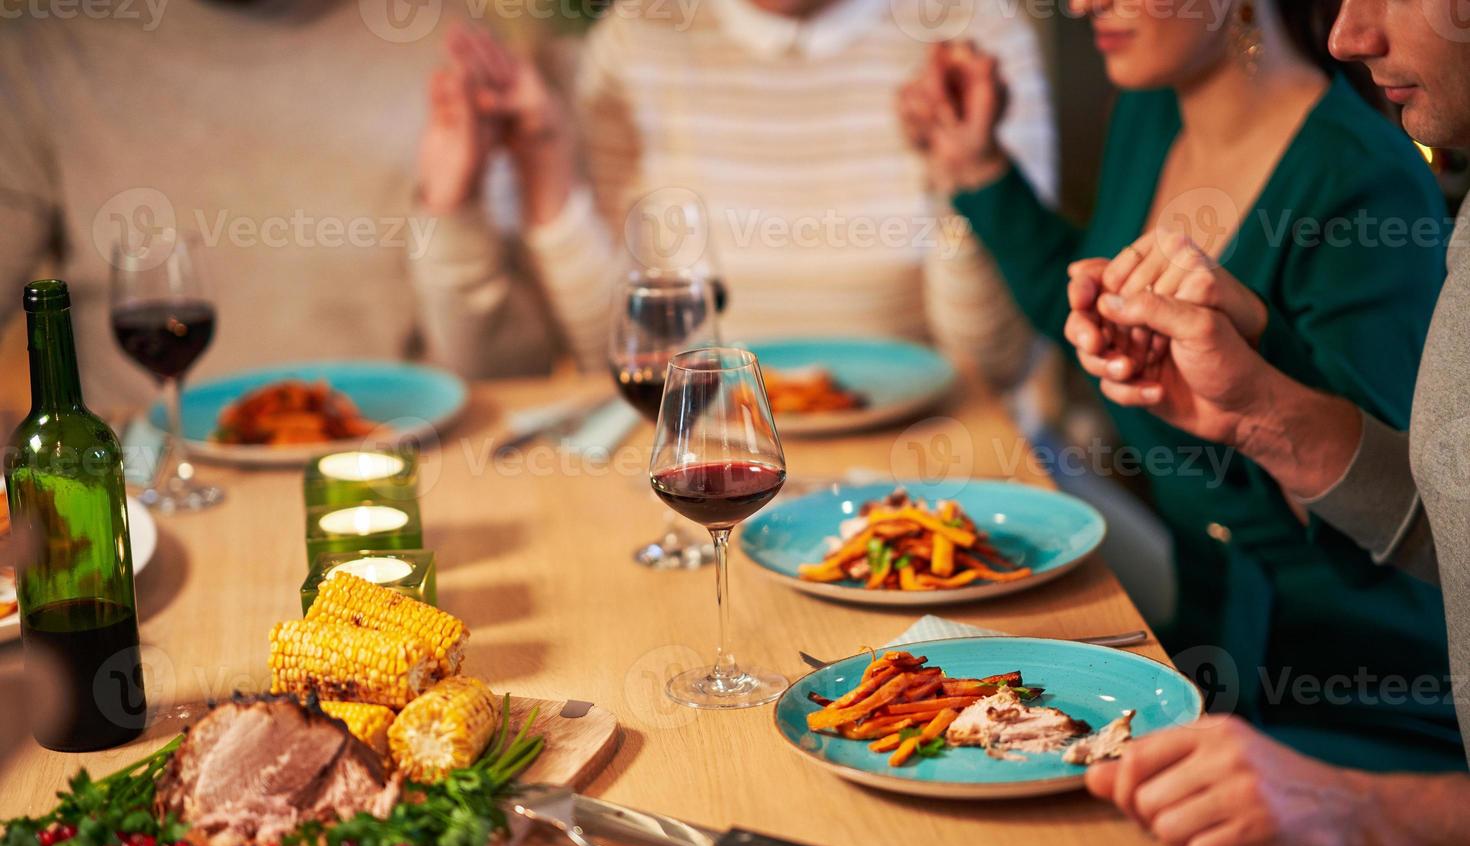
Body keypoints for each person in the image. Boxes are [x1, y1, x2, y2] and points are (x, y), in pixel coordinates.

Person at [900, 0, 1461, 773]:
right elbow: (1087, 309)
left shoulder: (1366, 181)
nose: (1082, 5)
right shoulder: (1151, 109)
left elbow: (1401, 527)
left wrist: (1258, 362)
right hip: (1195, 640)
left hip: (1338, 689)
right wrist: (978, 170)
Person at [1055, 0, 1470, 846]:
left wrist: (1351, 812)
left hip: (1362, 722)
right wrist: (1252, 411)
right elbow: (1441, 528)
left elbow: (1394, 583)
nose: (1348, 36)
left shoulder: (1367, 179)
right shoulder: (1155, 108)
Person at [411, 0, 1056, 381]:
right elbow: (618, 351)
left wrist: (961, 181)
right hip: (711, 454)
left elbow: (994, 368)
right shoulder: (640, 35)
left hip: (924, 456)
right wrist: (543, 157)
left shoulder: (973, 30)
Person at [0, 0, 558, 417]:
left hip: (395, 483)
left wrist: (452, 211)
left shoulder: (442, 39)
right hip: (149, 503)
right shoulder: (38, 55)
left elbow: (510, 380)